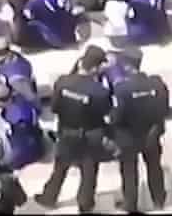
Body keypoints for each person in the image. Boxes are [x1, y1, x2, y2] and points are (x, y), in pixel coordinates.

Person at [34, 46, 114, 213]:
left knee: (60, 167)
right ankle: (85, 204)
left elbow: (54, 108)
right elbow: (106, 113)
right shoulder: (99, 91)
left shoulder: (62, 82)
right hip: (90, 135)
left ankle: (49, 197)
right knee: (89, 171)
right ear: (95, 68)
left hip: (66, 132)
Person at [111, 48, 170, 213]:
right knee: (154, 167)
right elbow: (164, 109)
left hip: (128, 136)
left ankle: (130, 204)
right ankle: (159, 200)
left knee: (129, 172)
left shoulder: (122, 89)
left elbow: (117, 116)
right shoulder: (157, 84)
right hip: (152, 133)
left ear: (127, 66)